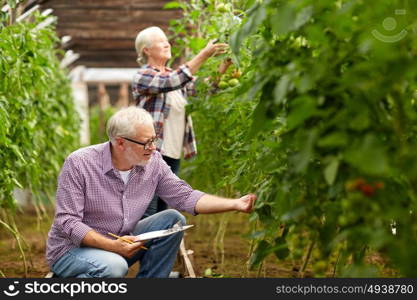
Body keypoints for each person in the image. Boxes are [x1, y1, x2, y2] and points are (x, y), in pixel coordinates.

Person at [46, 106, 256, 278]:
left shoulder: (153, 162)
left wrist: (236, 204)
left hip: (121, 243)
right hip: (71, 251)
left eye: (154, 139)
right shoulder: (79, 163)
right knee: (114, 267)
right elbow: (68, 222)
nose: (153, 147)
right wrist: (112, 246)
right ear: (120, 142)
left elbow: (185, 197)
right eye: (146, 142)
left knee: (173, 219)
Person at [132, 26, 231, 217]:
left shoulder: (175, 79)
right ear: (146, 50)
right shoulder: (143, 77)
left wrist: (224, 65)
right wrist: (204, 54)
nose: (167, 43)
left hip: (171, 154)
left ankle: (159, 247)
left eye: (166, 40)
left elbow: (203, 89)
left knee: (162, 210)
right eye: (160, 41)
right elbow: (172, 80)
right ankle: (136, 246)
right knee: (147, 212)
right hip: (150, 154)